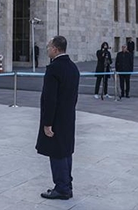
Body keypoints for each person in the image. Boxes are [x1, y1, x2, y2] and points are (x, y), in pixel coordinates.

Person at [36, 36, 79, 200]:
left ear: (55, 48)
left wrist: (47, 123)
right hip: (68, 116)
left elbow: (50, 99)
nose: (47, 50)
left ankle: (62, 188)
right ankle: (67, 184)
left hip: (56, 119)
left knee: (57, 153)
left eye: (49, 47)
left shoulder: (54, 69)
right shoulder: (73, 68)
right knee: (66, 151)